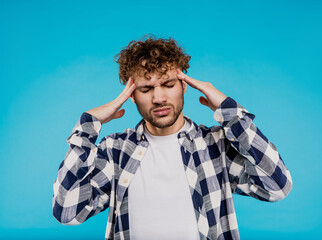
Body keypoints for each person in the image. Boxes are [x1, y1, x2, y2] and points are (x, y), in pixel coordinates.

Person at [52, 34, 293, 240]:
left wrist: (231, 113)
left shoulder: (215, 145)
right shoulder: (116, 150)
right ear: (132, 95)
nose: (158, 98)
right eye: (146, 89)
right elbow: (68, 212)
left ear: (184, 85)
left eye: (168, 84)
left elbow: (277, 186)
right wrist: (86, 129)